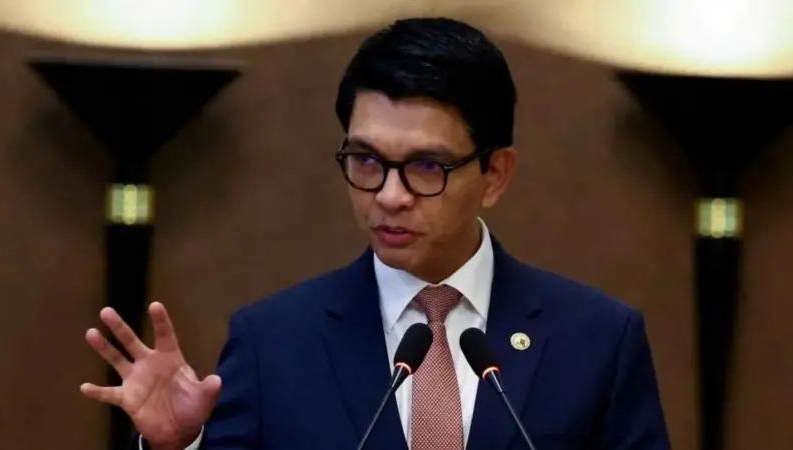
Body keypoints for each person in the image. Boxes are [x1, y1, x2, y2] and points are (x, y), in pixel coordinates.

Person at [81, 17, 671, 450]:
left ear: (495, 174)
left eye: (427, 166)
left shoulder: (597, 340)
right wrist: (178, 446)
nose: (389, 195)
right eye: (366, 160)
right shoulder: (274, 343)